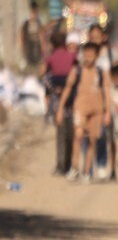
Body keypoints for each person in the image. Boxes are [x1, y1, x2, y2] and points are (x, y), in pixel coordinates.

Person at [57, 42, 111, 183]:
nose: (88, 57)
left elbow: (107, 91)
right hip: (80, 108)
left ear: (97, 56)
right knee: (79, 135)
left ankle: (87, 172)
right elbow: (68, 89)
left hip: (97, 110)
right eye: (86, 54)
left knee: (92, 140)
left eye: (91, 54)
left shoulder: (101, 72)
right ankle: (75, 168)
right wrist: (60, 109)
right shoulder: (77, 71)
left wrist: (108, 112)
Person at [41, 32, 77, 174]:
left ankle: (60, 165)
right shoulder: (72, 57)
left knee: (61, 135)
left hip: (57, 101)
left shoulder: (51, 58)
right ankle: (69, 164)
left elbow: (44, 75)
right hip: (72, 99)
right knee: (71, 134)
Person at [20, 0, 45, 74]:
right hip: (29, 47)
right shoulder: (26, 24)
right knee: (29, 65)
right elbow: (21, 36)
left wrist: (43, 49)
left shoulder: (39, 23)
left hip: (37, 48)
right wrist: (23, 47)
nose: (34, 14)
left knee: (37, 66)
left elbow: (41, 36)